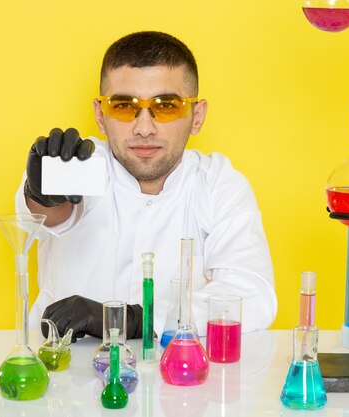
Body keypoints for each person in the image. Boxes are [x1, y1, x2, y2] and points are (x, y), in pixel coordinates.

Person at [16, 31, 277, 341]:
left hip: (178, 381)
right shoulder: (75, 165)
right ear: (100, 114)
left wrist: (139, 320)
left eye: (166, 105)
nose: (143, 128)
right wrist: (41, 193)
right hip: (60, 372)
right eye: (124, 106)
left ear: (197, 115)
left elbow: (253, 296)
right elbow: (45, 218)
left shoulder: (218, 183)